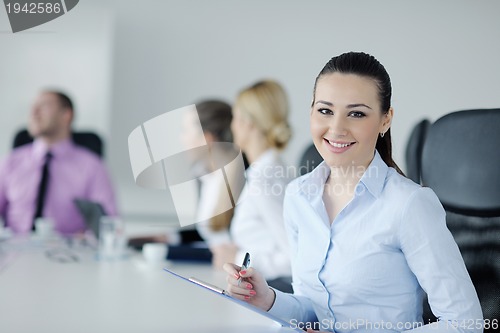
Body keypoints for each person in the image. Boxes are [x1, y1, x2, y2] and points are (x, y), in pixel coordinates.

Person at [223, 52, 483, 332]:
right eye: (325, 110)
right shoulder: (298, 196)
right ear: (311, 111)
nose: (336, 128)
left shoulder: (409, 204)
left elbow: (465, 324)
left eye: (356, 114)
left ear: (386, 120)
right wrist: (268, 299)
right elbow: (315, 310)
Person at [0, 90, 117, 235]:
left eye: (44, 106)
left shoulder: (92, 167)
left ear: (66, 115)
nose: (34, 112)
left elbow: (109, 223)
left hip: (67, 253)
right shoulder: (10, 162)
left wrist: (88, 238)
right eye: (33, 107)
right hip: (15, 250)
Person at [213, 80, 293, 290]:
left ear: (248, 123)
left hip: (269, 292)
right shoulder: (265, 171)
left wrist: (238, 257)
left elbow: (294, 258)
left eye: (236, 118)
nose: (232, 126)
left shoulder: (265, 179)